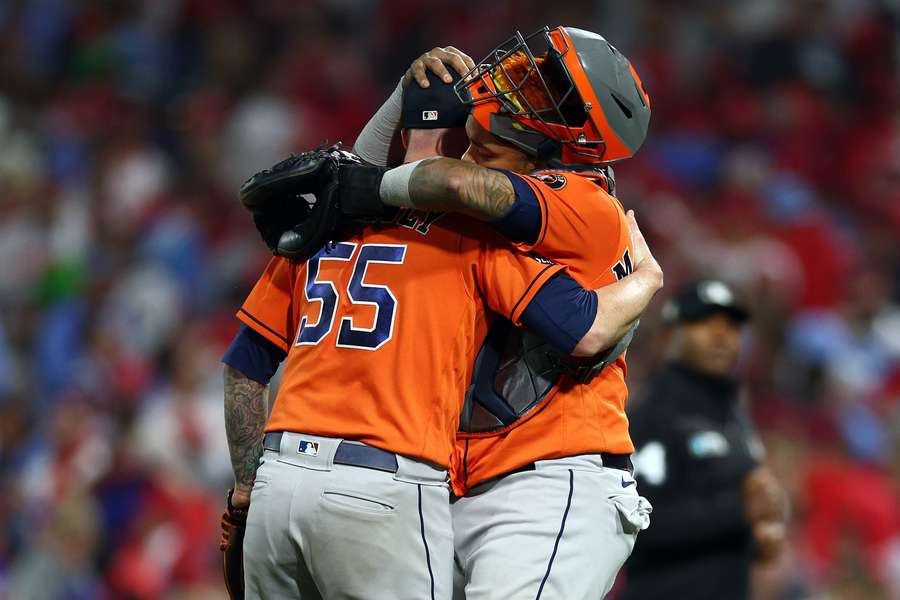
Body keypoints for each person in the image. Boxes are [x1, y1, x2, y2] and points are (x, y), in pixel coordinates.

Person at [220, 68, 663, 599]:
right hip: (393, 484)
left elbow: (244, 366)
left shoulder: (323, 231)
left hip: (287, 479)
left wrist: (247, 488)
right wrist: (646, 282)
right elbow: (584, 327)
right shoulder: (469, 233)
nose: (476, 155)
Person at [621, 279, 787, 600]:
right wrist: (740, 510)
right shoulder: (655, 414)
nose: (721, 335)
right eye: (703, 322)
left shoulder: (735, 418)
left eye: (732, 326)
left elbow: (723, 530)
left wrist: (759, 538)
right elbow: (638, 524)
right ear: (670, 335)